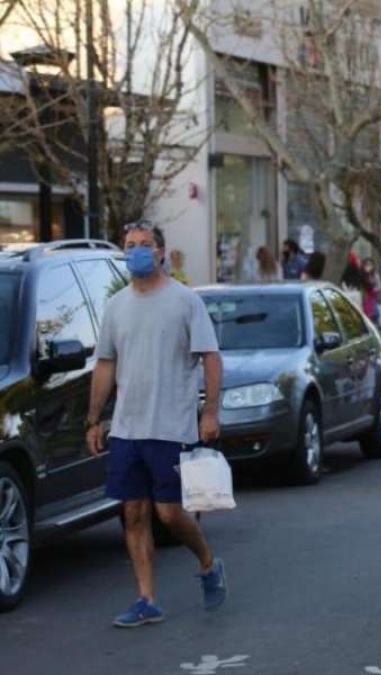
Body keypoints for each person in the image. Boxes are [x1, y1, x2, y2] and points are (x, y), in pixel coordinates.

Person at [85, 219, 227, 628]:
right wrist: (95, 419)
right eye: (130, 245)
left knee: (169, 514)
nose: (137, 251)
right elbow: (106, 363)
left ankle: (207, 563)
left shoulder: (185, 301)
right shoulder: (116, 306)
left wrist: (210, 411)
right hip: (127, 427)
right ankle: (146, 599)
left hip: (171, 426)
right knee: (132, 512)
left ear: (161, 253)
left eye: (145, 244)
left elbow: (211, 357)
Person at [361, 257, 381, 323]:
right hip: (363, 301)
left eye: (370, 264)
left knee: (374, 315)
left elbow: (379, 287)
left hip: (373, 300)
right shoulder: (361, 276)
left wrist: (374, 290)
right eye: (366, 264)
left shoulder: (375, 276)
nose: (368, 266)